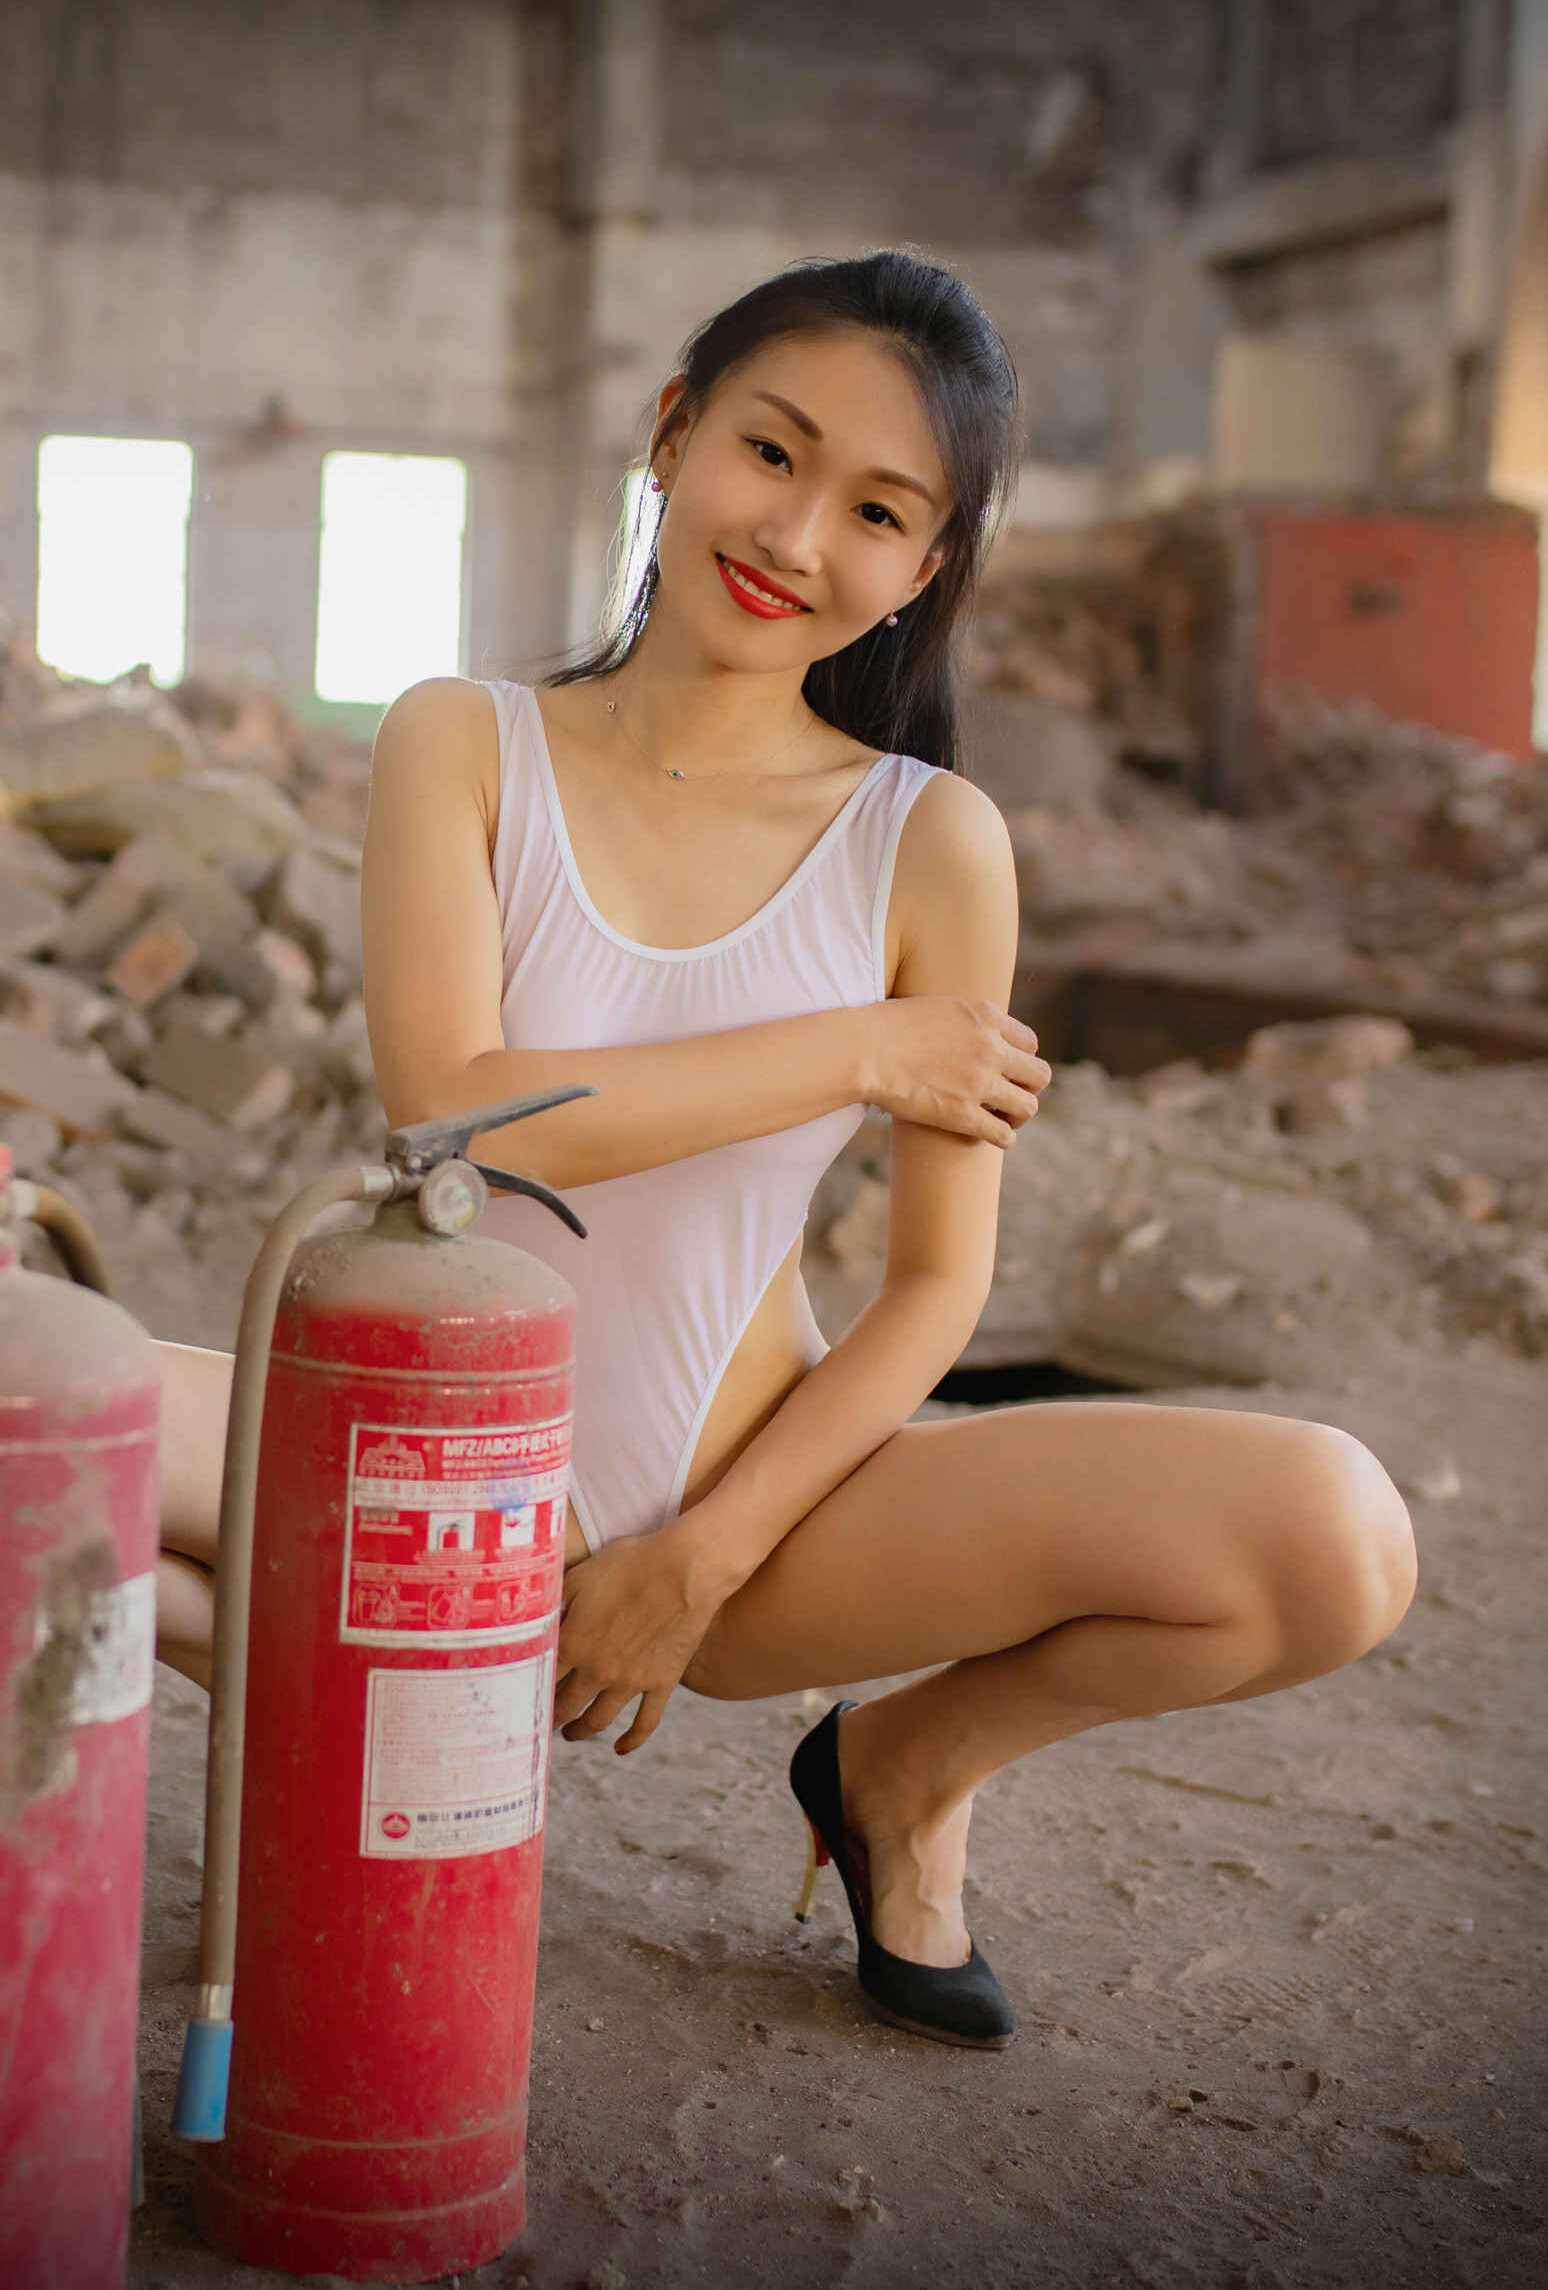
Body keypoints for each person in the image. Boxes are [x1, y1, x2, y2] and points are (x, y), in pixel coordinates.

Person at [145, 250, 1417, 2049]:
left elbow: (935, 1285)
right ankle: (382, 1702)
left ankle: (901, 1765)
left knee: (1335, 1535)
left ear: (922, 570)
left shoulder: (928, 840)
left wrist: (697, 1563)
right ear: (672, 436)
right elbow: (453, 1111)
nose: (799, 534)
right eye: (771, 452)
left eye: (879, 509)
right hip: (423, 1458)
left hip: (759, 1496)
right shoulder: (466, 741)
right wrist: (860, 1046)